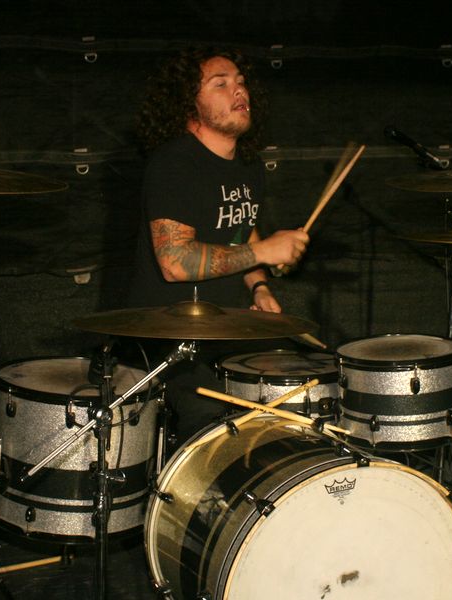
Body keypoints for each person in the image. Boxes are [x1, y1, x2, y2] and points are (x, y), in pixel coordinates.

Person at [125, 47, 310, 448]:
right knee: (213, 426)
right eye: (220, 84)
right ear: (188, 100)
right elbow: (175, 261)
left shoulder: (248, 165)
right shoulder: (174, 164)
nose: (238, 90)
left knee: (305, 382)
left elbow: (240, 231)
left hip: (227, 329)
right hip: (170, 342)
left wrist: (259, 286)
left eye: (241, 82)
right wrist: (266, 252)